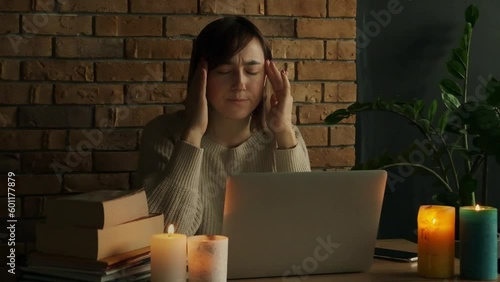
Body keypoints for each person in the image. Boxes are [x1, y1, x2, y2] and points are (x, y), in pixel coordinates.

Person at [137, 16, 311, 236]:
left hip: (272, 271)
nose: (239, 83)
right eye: (224, 71)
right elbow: (165, 234)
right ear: (202, 77)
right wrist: (192, 135)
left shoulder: (285, 135)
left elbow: (305, 226)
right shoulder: (164, 134)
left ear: (267, 78)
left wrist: (284, 130)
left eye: (252, 72)